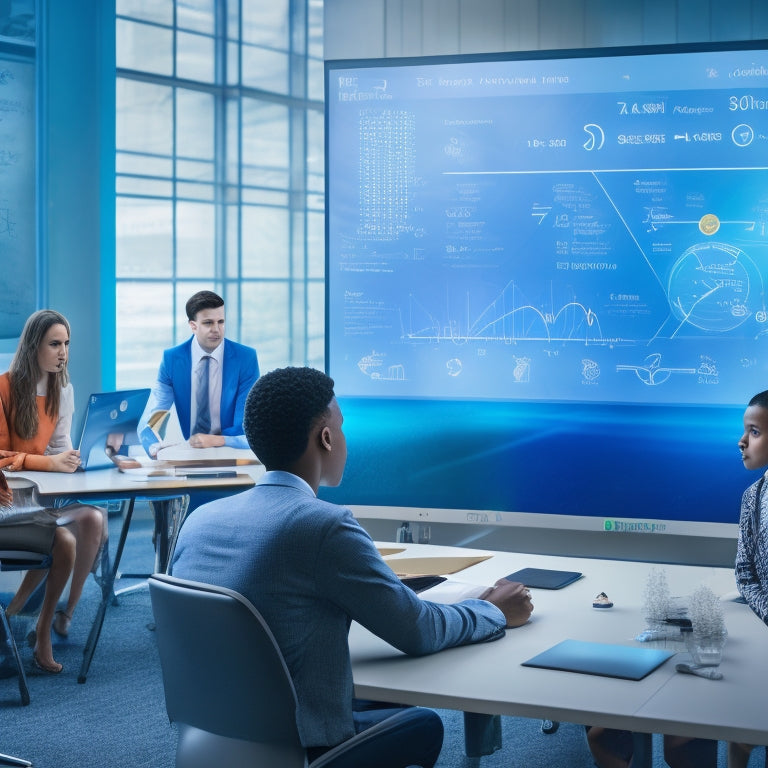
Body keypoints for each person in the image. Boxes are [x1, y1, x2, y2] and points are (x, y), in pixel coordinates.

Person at [170, 366, 533, 767]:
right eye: (340, 427)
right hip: (302, 747)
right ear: (325, 438)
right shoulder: (324, 525)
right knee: (424, 724)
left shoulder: (198, 522)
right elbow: (418, 631)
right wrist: (494, 609)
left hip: (211, 738)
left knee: (384, 696)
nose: (344, 439)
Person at [0, 309, 105, 674]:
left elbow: (59, 447)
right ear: (34, 347)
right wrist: (49, 463)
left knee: (94, 517)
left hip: (43, 498)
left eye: (67, 344)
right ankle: (35, 626)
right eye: (55, 344)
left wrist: (78, 460)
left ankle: (60, 617)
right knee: (64, 541)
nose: (64, 352)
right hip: (11, 503)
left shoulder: (63, 389)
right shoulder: (5, 387)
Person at [139, 290, 259, 452]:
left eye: (221, 322)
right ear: (193, 326)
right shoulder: (172, 359)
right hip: (191, 453)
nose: (217, 329)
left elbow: (247, 429)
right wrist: (154, 447)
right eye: (208, 323)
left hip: (232, 452)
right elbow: (155, 417)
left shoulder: (245, 358)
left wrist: (216, 441)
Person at [730, 391, 768, 768]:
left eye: (754, 431)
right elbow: (745, 573)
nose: (742, 441)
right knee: (740, 734)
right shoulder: (753, 498)